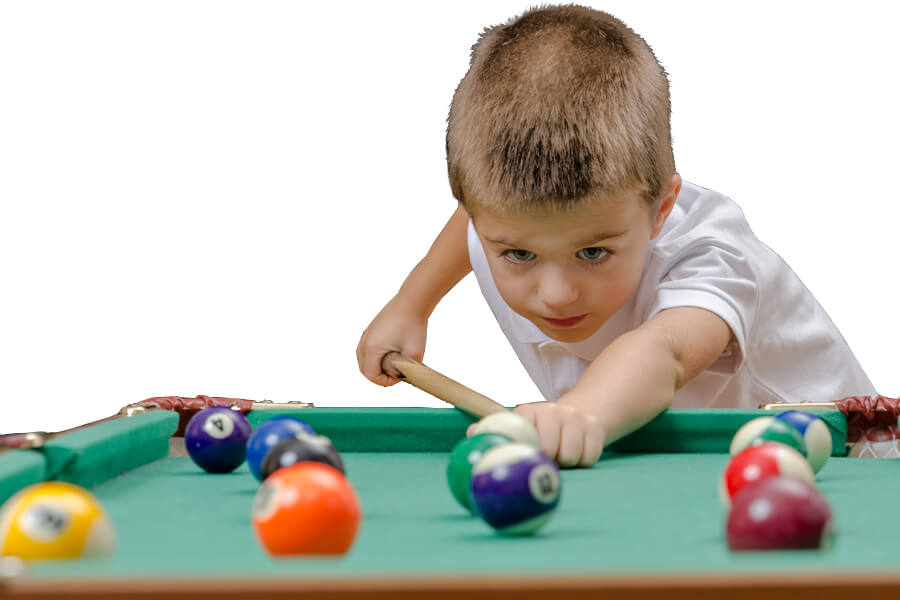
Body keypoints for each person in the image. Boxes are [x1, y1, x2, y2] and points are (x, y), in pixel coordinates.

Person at [356, 5, 875, 467]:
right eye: (519, 253)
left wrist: (580, 414)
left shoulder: (710, 256)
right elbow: (470, 222)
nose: (557, 293)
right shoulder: (503, 218)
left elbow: (663, 353)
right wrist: (411, 304)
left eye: (592, 252)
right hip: (672, 462)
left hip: (844, 465)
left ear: (661, 211)